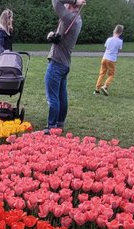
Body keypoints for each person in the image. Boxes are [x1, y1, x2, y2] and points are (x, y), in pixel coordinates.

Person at [45, 0, 84, 131]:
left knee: (53, 98)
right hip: (65, 63)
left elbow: (56, 1)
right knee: (62, 96)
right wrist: (53, 36)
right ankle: (59, 124)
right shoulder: (77, 20)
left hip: (56, 62)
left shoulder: (69, 18)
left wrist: (74, 1)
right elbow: (61, 38)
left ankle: (51, 127)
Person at [96, 25, 124, 95]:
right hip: (112, 59)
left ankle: (97, 89)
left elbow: (106, 47)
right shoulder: (120, 41)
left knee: (102, 73)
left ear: (114, 30)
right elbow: (118, 50)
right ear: (120, 32)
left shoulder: (109, 39)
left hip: (105, 57)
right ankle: (105, 86)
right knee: (111, 74)